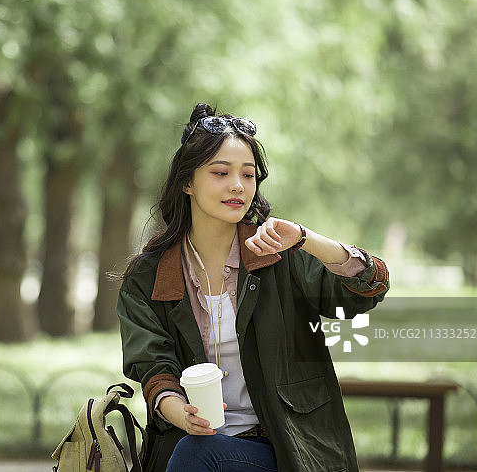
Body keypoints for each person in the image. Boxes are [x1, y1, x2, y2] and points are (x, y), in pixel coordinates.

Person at [116, 103, 389, 472]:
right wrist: (182, 414)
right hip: (192, 444)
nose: (237, 185)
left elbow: (366, 289)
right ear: (187, 182)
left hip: (288, 450)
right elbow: (153, 367)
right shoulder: (148, 277)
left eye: (248, 174)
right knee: (197, 450)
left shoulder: (279, 254)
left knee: (197, 454)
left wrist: (305, 238)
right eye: (220, 172)